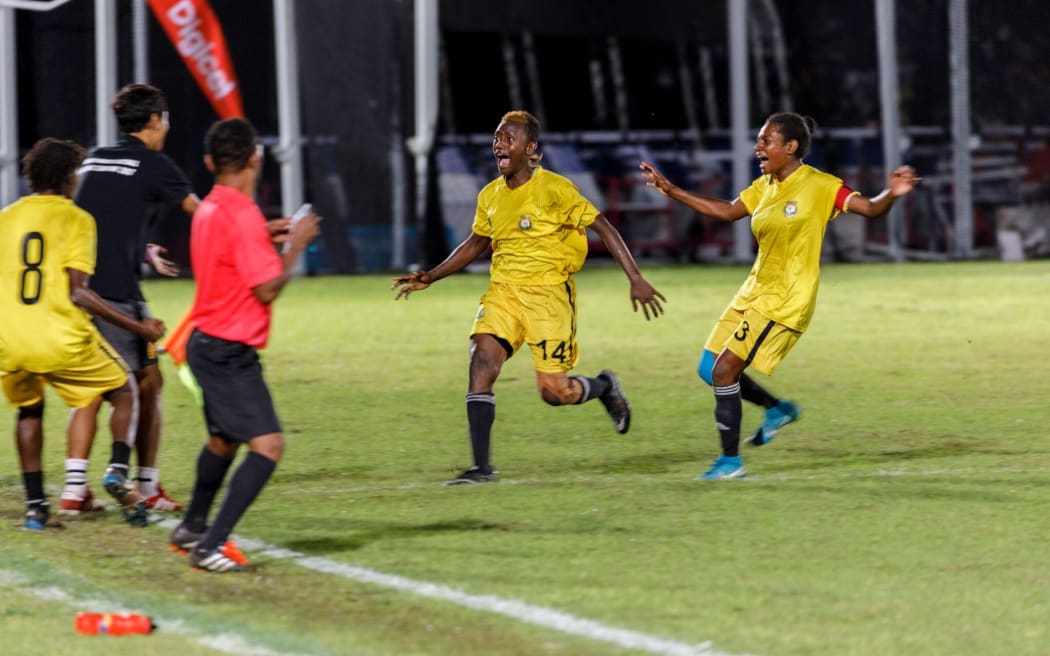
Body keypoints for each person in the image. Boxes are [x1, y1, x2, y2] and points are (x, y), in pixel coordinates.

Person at [640, 112, 921, 480]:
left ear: (790, 147)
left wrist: (892, 194)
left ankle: (730, 463)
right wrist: (671, 190)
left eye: (766, 140)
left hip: (785, 297)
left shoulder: (820, 185)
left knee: (725, 371)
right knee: (709, 368)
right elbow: (726, 211)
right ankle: (777, 410)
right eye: (759, 140)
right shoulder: (764, 186)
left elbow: (869, 208)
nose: (758, 146)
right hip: (753, 290)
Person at [393, 110, 666, 485]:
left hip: (549, 298)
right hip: (503, 294)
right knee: (481, 361)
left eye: (508, 138)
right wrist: (431, 276)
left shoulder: (555, 189)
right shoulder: (490, 195)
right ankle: (482, 468)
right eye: (497, 138)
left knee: (555, 393)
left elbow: (602, 225)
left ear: (531, 148)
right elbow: (476, 242)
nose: (499, 144)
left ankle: (603, 386)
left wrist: (636, 278)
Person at [168, 117, 320, 572]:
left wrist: (264, 234)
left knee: (222, 440)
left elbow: (231, 251)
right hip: (228, 352)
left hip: (204, 343)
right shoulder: (241, 214)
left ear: (211, 162)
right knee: (268, 445)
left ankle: (193, 526)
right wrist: (297, 244)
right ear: (256, 157)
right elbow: (267, 288)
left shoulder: (211, 206)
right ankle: (211, 545)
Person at [0, 138, 165, 529]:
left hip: (11, 340)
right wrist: (140, 327)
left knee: (29, 411)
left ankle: (36, 507)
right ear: (69, 177)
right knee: (124, 390)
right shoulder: (77, 219)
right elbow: (80, 293)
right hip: (60, 337)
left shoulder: (5, 218)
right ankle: (117, 471)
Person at [70, 83, 200, 514]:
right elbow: (201, 213)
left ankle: (73, 489)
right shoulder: (154, 163)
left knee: (94, 386)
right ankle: (143, 485)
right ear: (154, 121)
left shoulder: (93, 158)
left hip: (75, 289)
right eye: (164, 118)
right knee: (146, 384)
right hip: (116, 296)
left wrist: (143, 250)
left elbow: (94, 220)